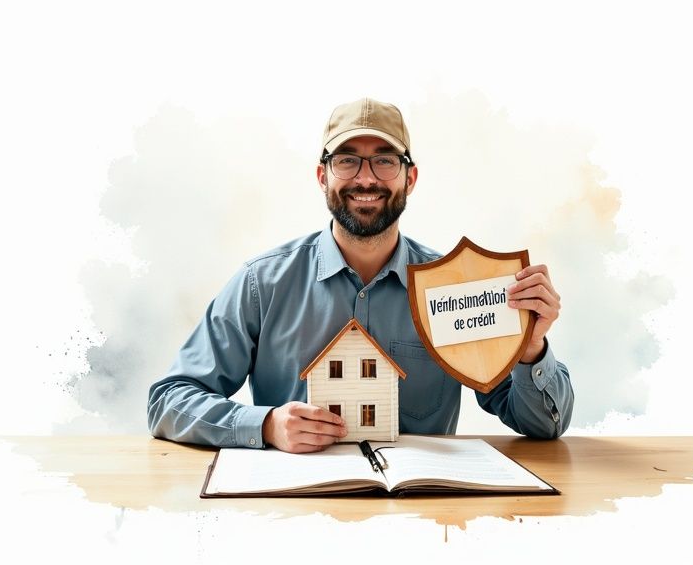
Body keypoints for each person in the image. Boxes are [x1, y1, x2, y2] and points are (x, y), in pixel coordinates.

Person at [147, 98, 574, 453]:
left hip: (423, 519)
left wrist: (530, 349)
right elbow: (168, 401)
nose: (366, 178)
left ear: (410, 178)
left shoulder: (456, 290)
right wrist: (264, 426)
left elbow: (541, 427)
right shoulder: (263, 284)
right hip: (293, 519)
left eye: (384, 161)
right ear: (323, 176)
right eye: (347, 161)